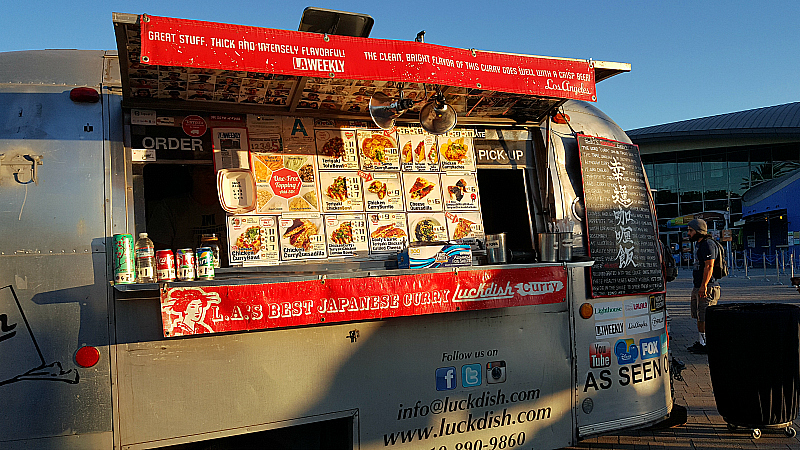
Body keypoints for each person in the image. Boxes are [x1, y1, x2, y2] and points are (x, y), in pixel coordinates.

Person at [686, 218, 721, 354]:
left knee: (706, 316)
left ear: (699, 231)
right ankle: (702, 342)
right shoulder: (699, 244)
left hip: (708, 286)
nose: (688, 233)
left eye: (691, 230)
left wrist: (704, 286)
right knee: (699, 315)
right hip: (699, 286)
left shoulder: (708, 244)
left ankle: (708, 344)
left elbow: (709, 265)